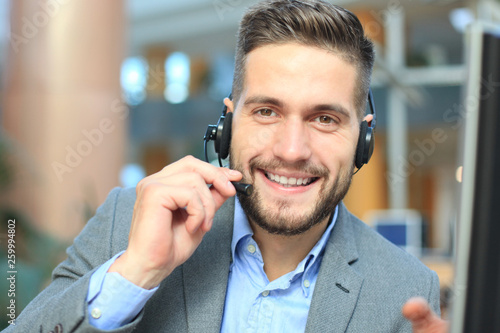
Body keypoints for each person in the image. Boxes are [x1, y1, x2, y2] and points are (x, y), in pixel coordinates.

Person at [5, 1, 448, 332]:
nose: (292, 150)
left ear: (363, 140)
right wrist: (136, 273)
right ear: (227, 126)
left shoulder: (405, 290)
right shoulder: (129, 219)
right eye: (267, 112)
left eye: (325, 118)